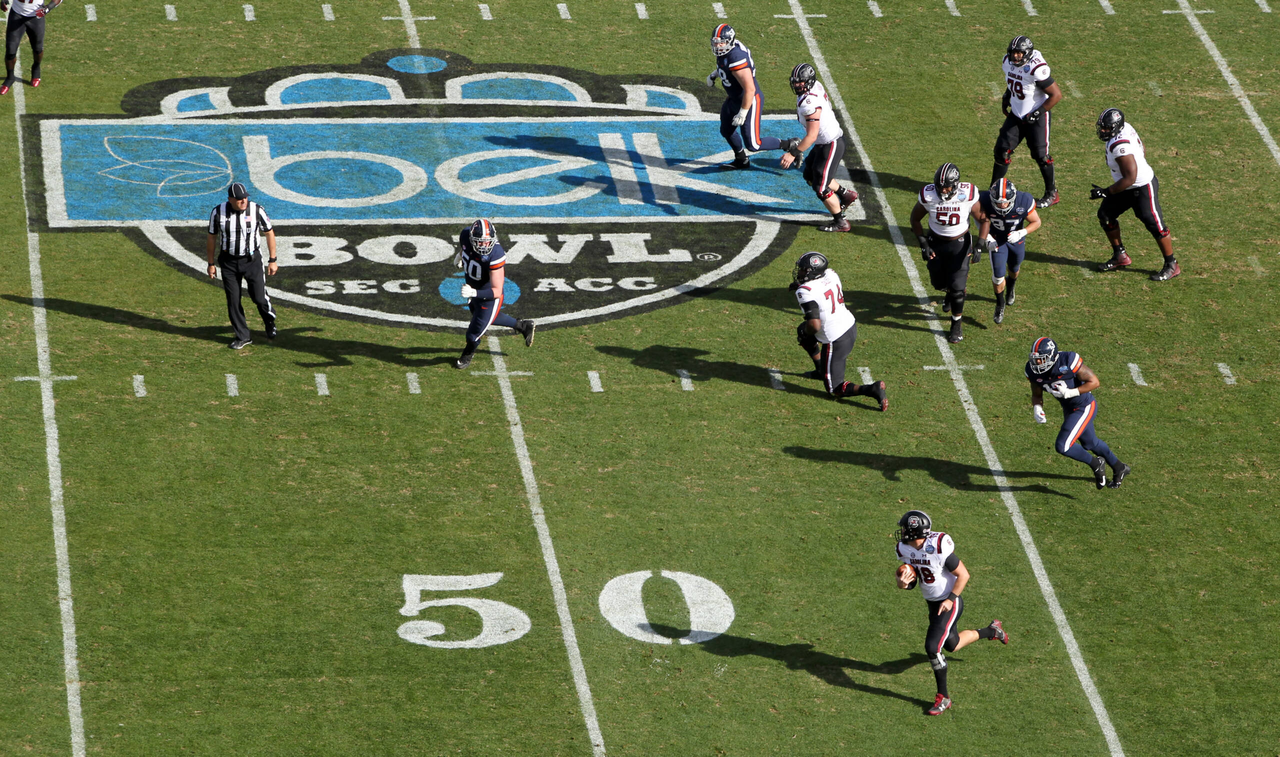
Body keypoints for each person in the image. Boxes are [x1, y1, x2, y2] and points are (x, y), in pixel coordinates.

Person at [895, 510, 1008, 717]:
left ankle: (943, 697)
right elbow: (913, 581)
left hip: (949, 602)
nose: (901, 531)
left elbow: (963, 574)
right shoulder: (904, 548)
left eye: (904, 528)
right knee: (952, 644)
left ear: (914, 531)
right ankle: (992, 631)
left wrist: (950, 599)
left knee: (932, 647)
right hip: (932, 603)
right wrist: (903, 584)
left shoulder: (937, 547)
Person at [1026, 337, 1131, 489]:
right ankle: (1120, 467)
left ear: (1052, 356)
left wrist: (1071, 392)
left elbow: (1094, 381)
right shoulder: (1032, 371)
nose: (1037, 364)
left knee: (1063, 445)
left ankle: (1096, 464)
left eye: (1041, 360)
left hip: (1084, 406)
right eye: (1035, 360)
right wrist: (1037, 407)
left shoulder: (1067, 360)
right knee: (1091, 443)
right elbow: (1036, 394)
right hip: (1069, 409)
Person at [1091, 108, 1180, 282]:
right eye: (1102, 127)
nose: (1103, 131)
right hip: (1126, 186)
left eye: (1107, 128)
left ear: (1116, 127)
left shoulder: (1120, 146)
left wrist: (1106, 191)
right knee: (1106, 215)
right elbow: (1142, 148)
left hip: (1141, 187)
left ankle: (1171, 264)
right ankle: (1120, 256)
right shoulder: (1125, 128)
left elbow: (1130, 178)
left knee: (1156, 226)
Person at [791, 252, 886, 409]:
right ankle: (819, 369)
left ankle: (870, 389)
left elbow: (814, 325)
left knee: (834, 388)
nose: (799, 272)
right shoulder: (830, 273)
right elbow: (820, 288)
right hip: (848, 323)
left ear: (811, 272)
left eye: (803, 270)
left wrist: (807, 333)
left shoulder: (805, 291)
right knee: (804, 333)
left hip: (835, 338)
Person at [910, 163, 990, 344]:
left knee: (957, 289)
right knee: (938, 283)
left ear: (956, 185)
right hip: (935, 242)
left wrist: (979, 244)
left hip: (960, 245)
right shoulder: (929, 195)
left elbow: (984, 219)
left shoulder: (967, 194)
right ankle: (949, 291)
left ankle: (956, 324)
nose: (943, 190)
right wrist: (923, 243)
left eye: (946, 186)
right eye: (940, 186)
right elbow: (915, 218)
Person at [779, 63, 859, 233]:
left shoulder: (809, 102)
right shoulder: (815, 86)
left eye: (800, 82)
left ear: (808, 81)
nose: (797, 85)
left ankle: (840, 222)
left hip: (830, 143)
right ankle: (846, 195)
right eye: (795, 82)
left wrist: (793, 153)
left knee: (820, 187)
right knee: (810, 174)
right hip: (825, 142)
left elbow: (811, 135)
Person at [453, 218, 535, 370]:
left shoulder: (496, 254)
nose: (484, 245)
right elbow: (464, 248)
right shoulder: (465, 235)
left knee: (473, 333)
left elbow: (497, 291)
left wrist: (474, 292)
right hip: (474, 287)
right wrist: (460, 256)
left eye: (487, 241)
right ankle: (523, 326)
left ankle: (467, 355)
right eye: (480, 242)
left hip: (488, 297)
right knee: (485, 317)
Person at [991, 36, 1063, 209]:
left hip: (1037, 115)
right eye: (1013, 52)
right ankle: (994, 190)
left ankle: (1052, 193)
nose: (1015, 56)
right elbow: (1014, 81)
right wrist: (1007, 95)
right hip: (1017, 113)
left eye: (1019, 53)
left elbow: (1056, 95)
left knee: (1041, 156)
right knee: (1001, 151)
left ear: (1028, 53)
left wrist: (1038, 112)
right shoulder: (1007, 62)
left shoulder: (1036, 68)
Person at [207, 182, 277, 350]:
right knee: (233, 300)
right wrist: (210, 263)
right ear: (230, 199)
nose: (243, 201)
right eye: (239, 199)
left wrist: (272, 259)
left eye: (245, 197)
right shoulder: (218, 212)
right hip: (228, 261)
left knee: (259, 297)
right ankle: (243, 336)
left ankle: (269, 320)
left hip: (251, 260)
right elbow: (211, 238)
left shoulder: (256, 210)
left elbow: (269, 232)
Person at [706, 24, 785, 169]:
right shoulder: (727, 52)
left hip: (749, 100)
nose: (718, 46)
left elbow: (750, 89)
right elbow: (725, 67)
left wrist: (743, 113)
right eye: (716, 43)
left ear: (730, 40)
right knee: (726, 130)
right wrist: (714, 74)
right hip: (734, 98)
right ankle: (741, 159)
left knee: (754, 144)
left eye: (721, 42)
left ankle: (790, 144)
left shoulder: (736, 57)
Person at [978, 178, 1040, 324]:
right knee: (998, 275)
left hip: (1016, 239)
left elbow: (1036, 221)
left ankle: (1011, 286)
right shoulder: (984, 199)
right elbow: (976, 218)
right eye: (998, 202)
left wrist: (1022, 232)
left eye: (1005, 202)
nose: (1001, 205)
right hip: (996, 239)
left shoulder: (1024, 200)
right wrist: (986, 236)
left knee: (1014, 268)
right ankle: (1000, 304)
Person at [2, 0, 60, 94]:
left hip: (36, 17)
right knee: (10, 50)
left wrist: (48, 8)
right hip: (17, 14)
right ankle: (10, 77)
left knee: (37, 48)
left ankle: (36, 69)